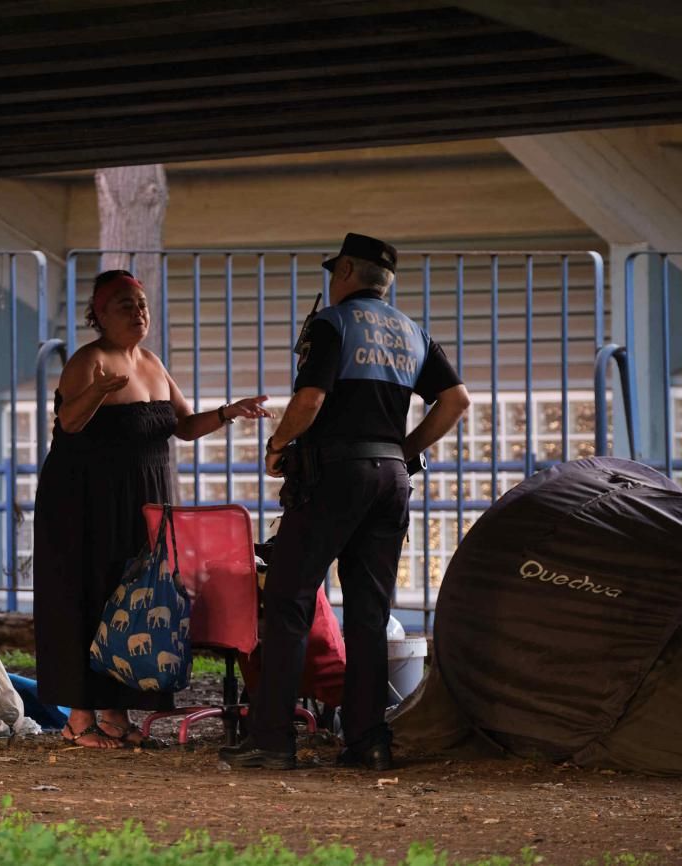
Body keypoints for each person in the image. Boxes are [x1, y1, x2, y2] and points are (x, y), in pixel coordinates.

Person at [219, 233, 470, 771]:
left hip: (334, 475)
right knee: (369, 612)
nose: (332, 283)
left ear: (349, 271)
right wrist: (404, 451)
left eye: (336, 273)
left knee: (288, 599)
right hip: (391, 480)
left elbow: (310, 398)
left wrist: (279, 443)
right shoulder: (412, 332)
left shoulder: (332, 324)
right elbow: (456, 401)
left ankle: (270, 740)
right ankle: (368, 742)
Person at [33, 269, 270, 749]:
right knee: (88, 595)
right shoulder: (88, 361)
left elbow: (182, 426)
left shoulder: (153, 363)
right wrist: (98, 392)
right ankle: (80, 718)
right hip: (85, 501)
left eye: (141, 303)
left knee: (136, 600)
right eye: (125, 304)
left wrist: (229, 412)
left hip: (144, 499)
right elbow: (69, 423)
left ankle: (116, 713)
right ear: (99, 315)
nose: (138, 311)